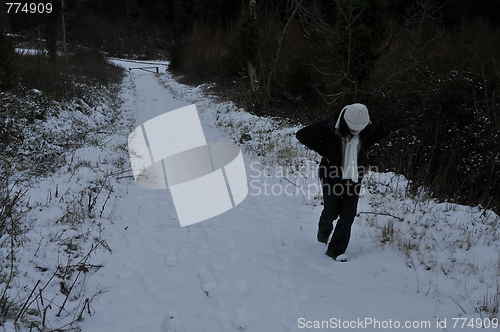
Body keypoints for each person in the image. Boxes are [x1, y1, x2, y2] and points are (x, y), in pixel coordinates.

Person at [295, 103, 391, 262]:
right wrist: (325, 152)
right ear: (345, 121)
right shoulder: (329, 126)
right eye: (352, 128)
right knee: (331, 211)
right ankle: (323, 233)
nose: (355, 131)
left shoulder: (368, 127)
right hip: (331, 175)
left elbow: (386, 126)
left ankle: (335, 251)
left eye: (358, 128)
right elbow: (302, 135)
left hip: (354, 176)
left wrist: (368, 119)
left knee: (348, 215)